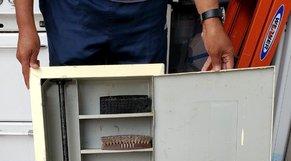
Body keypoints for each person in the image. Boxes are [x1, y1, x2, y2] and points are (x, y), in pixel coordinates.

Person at [15, 0, 234, 88]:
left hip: (142, 11)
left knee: (142, 104)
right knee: (71, 103)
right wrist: (25, 26)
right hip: (71, 11)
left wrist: (211, 19)